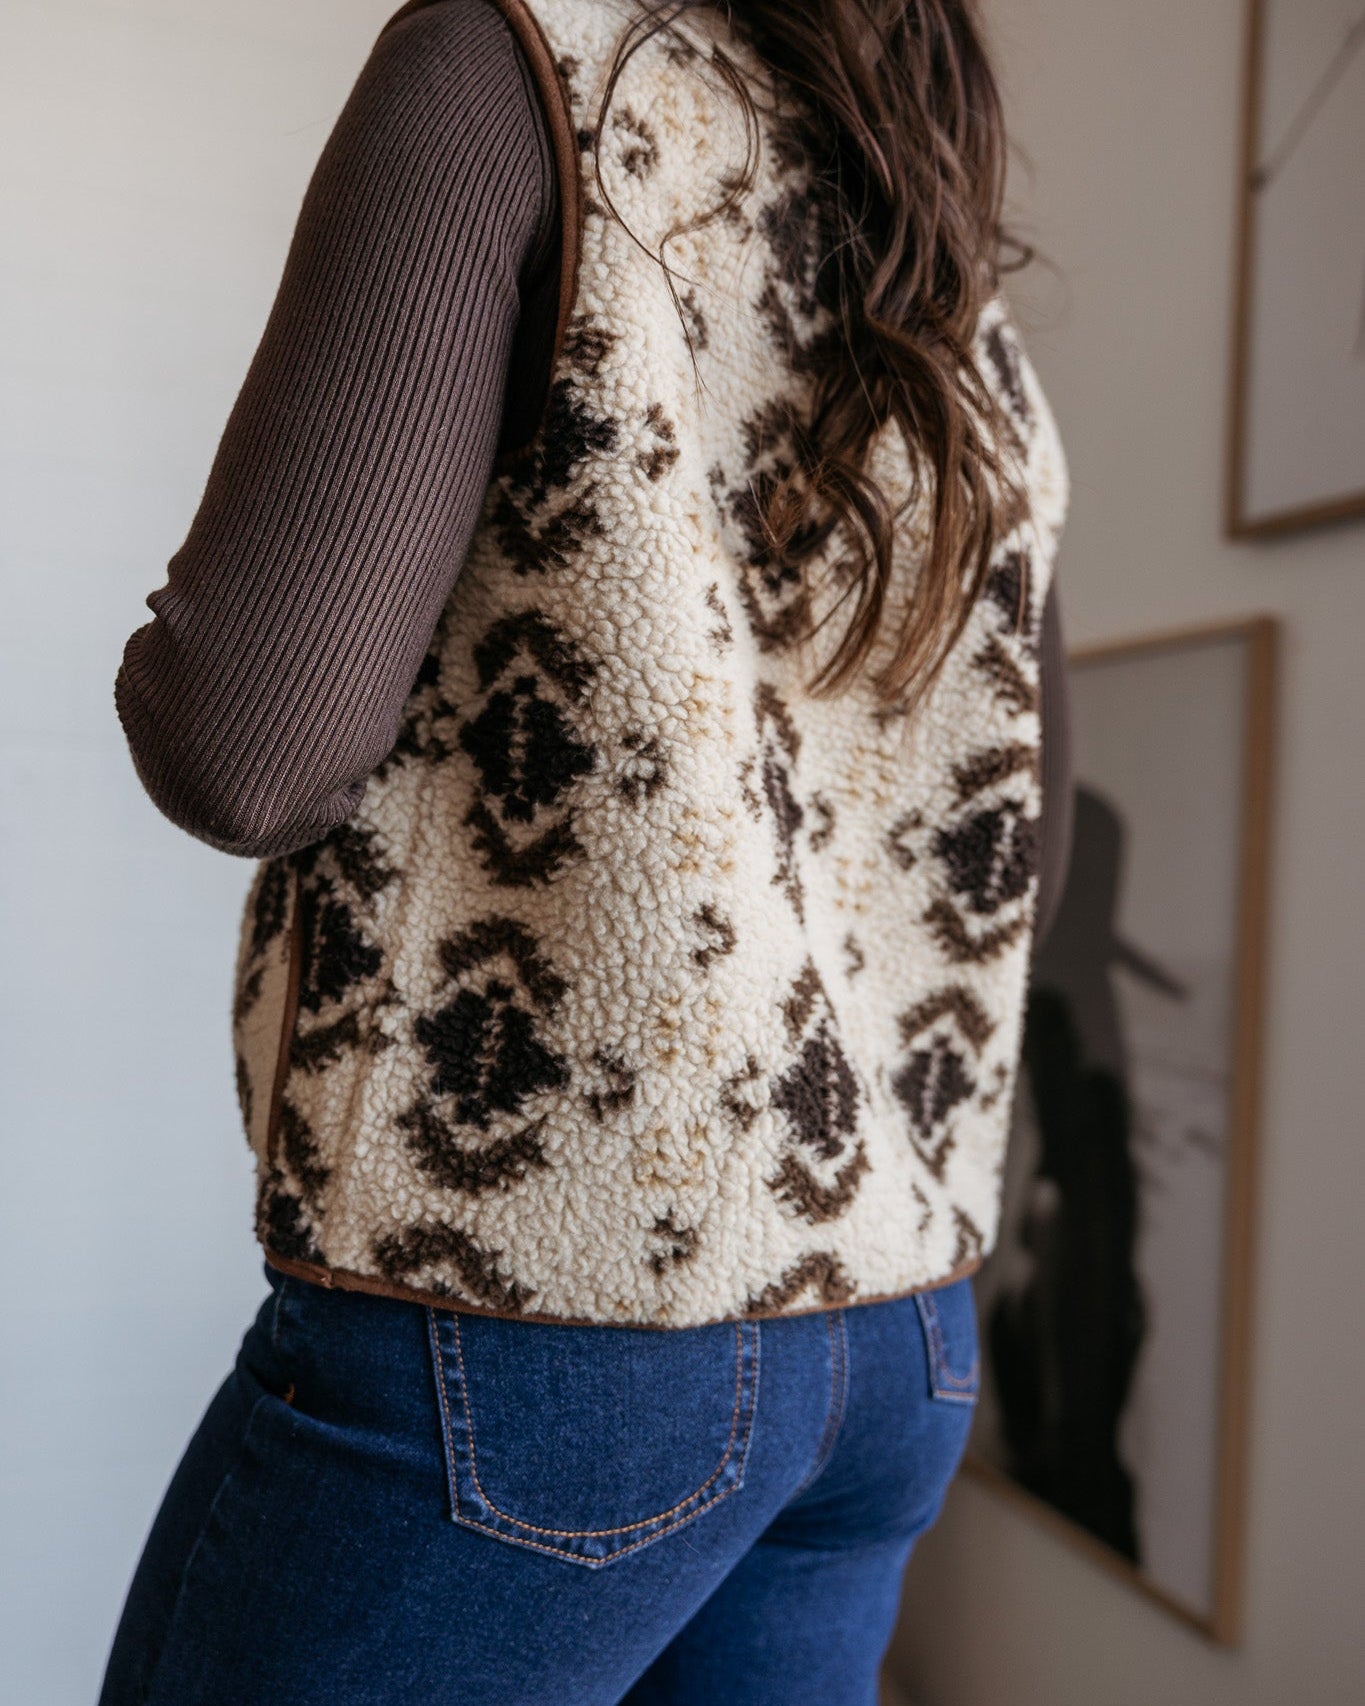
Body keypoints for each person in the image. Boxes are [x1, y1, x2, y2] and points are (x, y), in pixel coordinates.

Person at [100, 1, 1072, 1701]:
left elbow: (247, 748)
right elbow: (1009, 870)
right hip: (896, 1330)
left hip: (550, 1315)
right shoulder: (944, 280)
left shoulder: (514, 75)